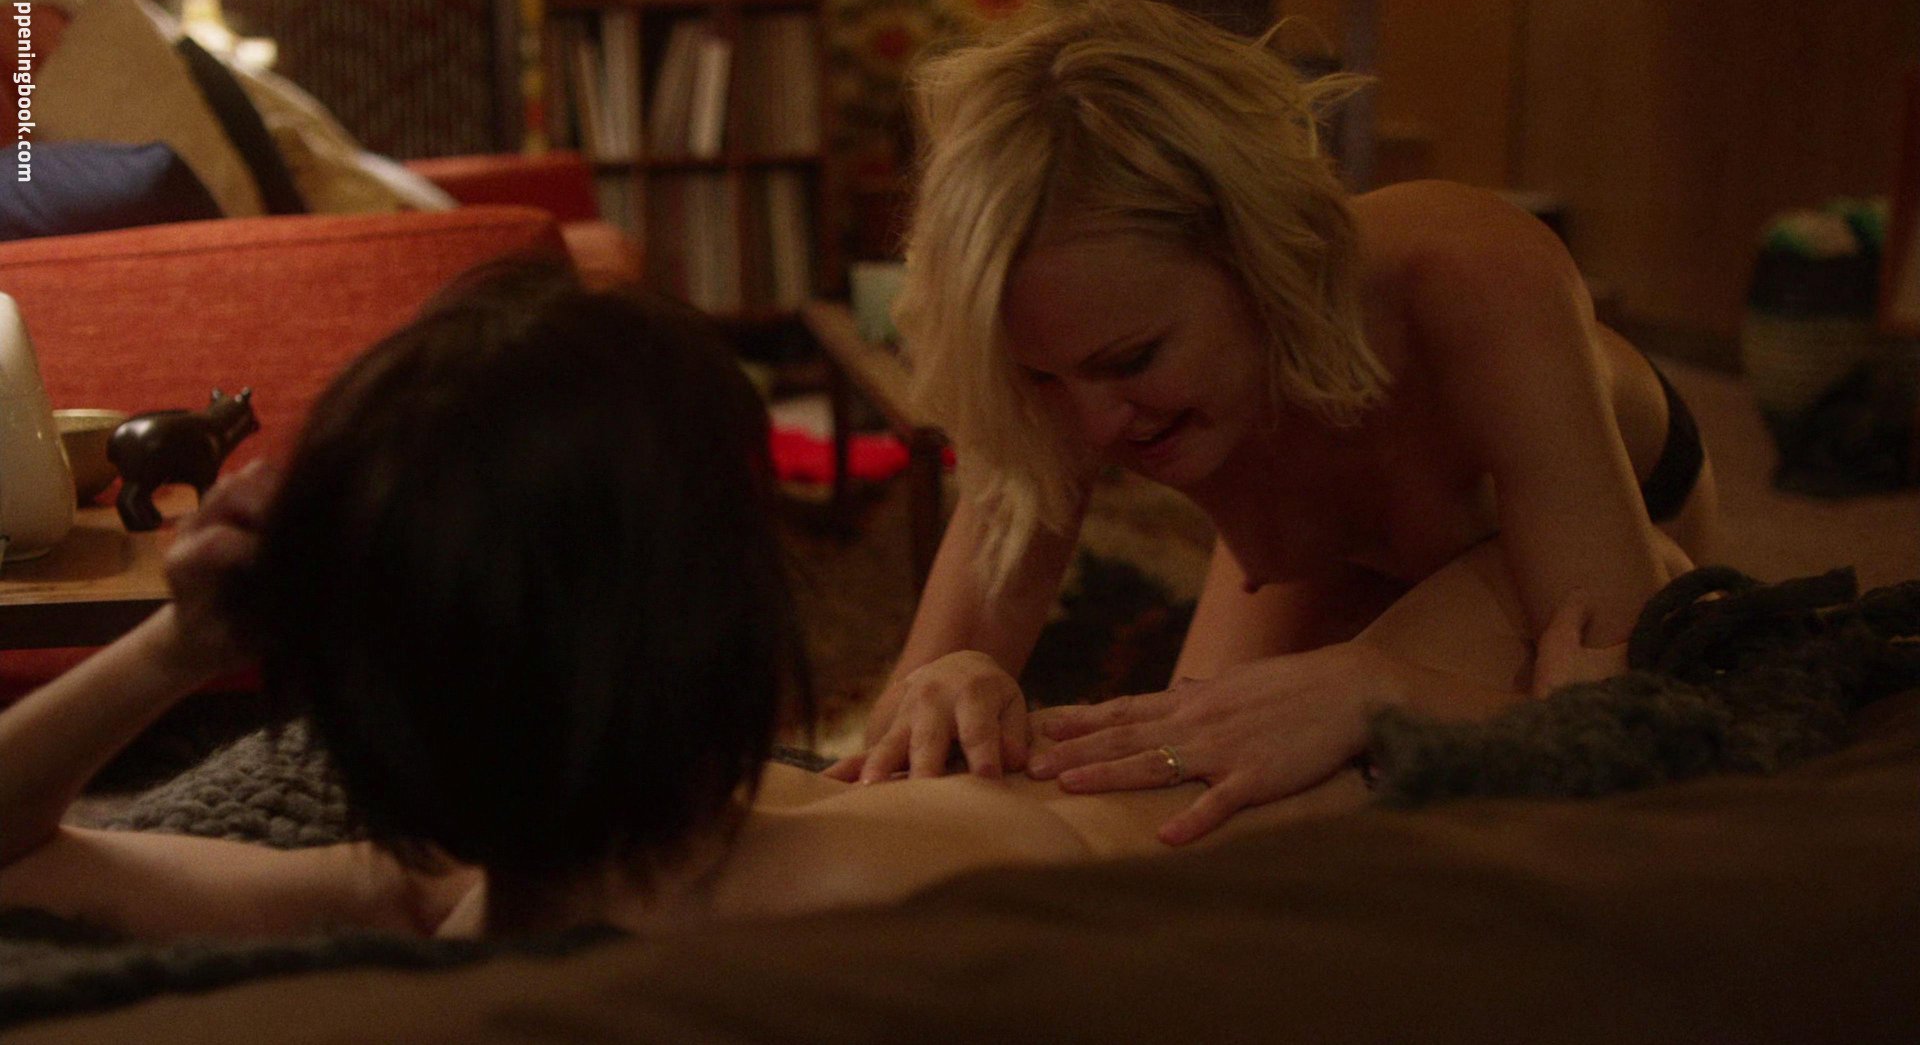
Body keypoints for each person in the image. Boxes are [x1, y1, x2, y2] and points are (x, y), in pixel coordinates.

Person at [0, 263, 1601, 940]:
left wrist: (180, 647)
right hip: (1337, 780)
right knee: (1589, 558)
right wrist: (1412, 694)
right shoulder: (834, 910)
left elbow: (23, 851)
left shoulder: (453, 882)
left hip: (1188, 745)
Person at [823, 0, 1719, 845]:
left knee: (1291, 819)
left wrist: (1382, 693)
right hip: (1329, 531)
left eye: (1131, 361)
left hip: (1616, 526)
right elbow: (892, 742)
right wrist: (952, 682)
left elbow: (1626, 729)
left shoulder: (1473, 279)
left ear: (1255, 254)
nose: (1091, 429)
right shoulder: (1060, 334)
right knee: (1168, 803)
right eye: (1043, 377)